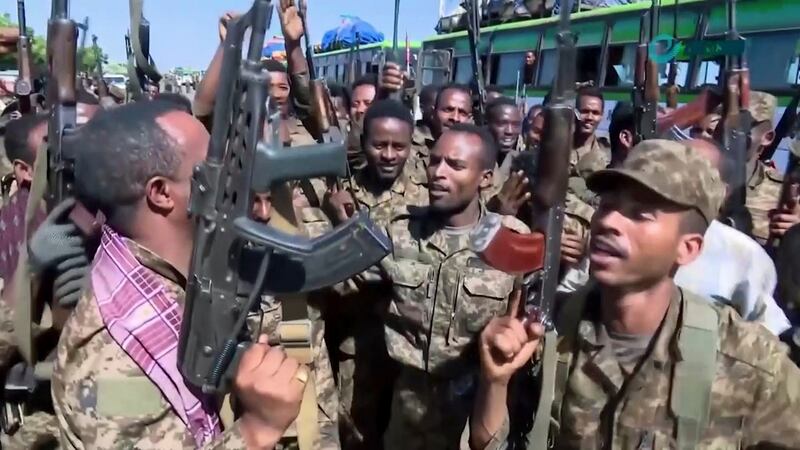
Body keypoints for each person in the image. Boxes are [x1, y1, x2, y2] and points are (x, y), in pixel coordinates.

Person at [470, 139, 800, 450]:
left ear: (687, 248)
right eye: (607, 205)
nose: (609, 222)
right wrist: (496, 382)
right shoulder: (548, 329)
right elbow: (492, 442)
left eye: (640, 214)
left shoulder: (750, 360)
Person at [50, 100, 316, 449]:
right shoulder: (114, 362)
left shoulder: (164, 281)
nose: (235, 177)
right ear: (162, 193)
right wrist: (256, 429)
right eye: (214, 166)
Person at [373, 123, 529, 450]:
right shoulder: (399, 231)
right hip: (408, 416)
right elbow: (343, 283)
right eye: (434, 161)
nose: (438, 173)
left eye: (455, 165)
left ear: (485, 178)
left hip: (475, 417)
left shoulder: (512, 242)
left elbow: (528, 327)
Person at [322, 100, 426, 450]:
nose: (389, 155)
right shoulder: (341, 194)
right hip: (357, 344)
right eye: (379, 145)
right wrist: (337, 221)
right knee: (356, 433)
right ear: (363, 142)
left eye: (399, 146)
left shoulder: (426, 199)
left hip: (409, 349)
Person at [674, 138, 791, 336]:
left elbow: (769, 337)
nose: (676, 178)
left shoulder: (745, 255)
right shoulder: (628, 230)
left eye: (693, 173)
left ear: (722, 192)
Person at [742, 91, 800, 244]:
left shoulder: (786, 192)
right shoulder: (697, 177)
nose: (733, 132)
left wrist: (796, 233)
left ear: (767, 138)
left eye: (744, 126)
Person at [571, 86, 610, 176]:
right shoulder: (560, 149)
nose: (589, 117)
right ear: (575, 112)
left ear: (601, 116)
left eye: (595, 113)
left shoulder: (607, 154)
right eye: (584, 111)